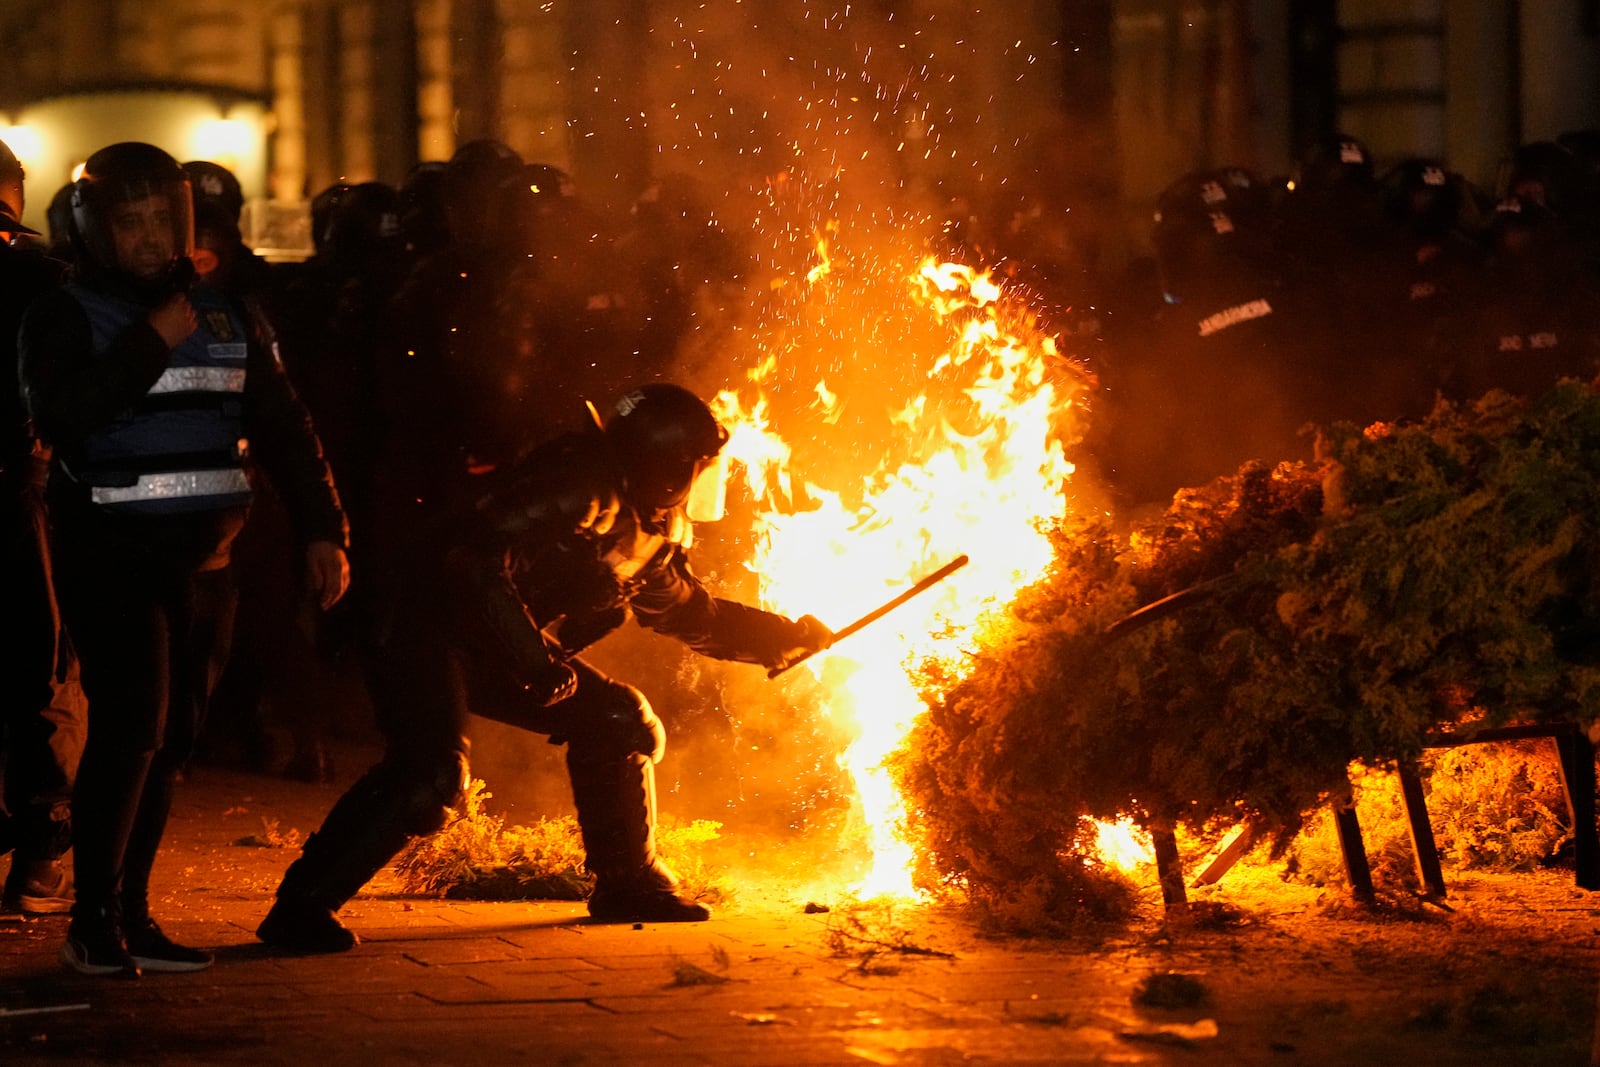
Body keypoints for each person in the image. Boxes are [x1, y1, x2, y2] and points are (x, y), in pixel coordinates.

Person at [256, 383, 833, 952]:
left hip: (497, 645)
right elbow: (471, 562)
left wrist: (782, 639)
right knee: (429, 775)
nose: (705, 481)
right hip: (418, 625)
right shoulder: (577, 484)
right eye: (699, 466)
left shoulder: (643, 522)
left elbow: (691, 613)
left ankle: (628, 885)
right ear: (667, 465)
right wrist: (533, 660)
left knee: (618, 720)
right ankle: (301, 908)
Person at [18, 142, 349, 977]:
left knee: (172, 741)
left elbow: (285, 426)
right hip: (111, 550)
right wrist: (150, 341)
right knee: (131, 729)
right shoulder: (64, 314)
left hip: (206, 561)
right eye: (128, 222)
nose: (146, 237)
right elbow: (67, 415)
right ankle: (91, 918)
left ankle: (132, 912)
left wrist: (323, 526)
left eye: (159, 218)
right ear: (95, 229)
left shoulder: (232, 316)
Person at [0, 137, 84, 915]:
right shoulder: (50, 280)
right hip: (28, 491)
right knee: (43, 667)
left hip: (29, 488)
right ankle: (41, 847)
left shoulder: (47, 278)